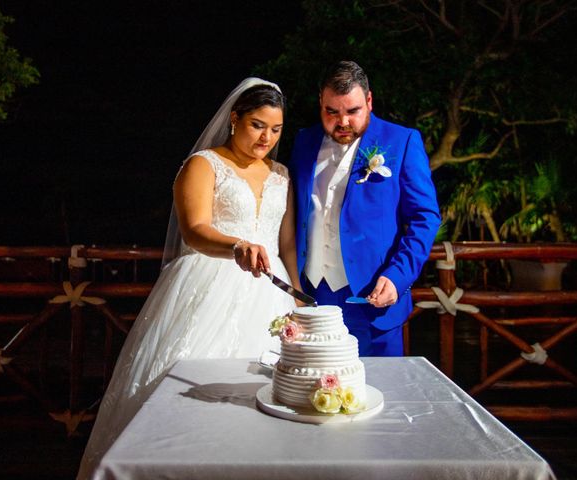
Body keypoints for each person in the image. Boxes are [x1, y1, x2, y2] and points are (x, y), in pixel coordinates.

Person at [77, 78, 300, 479]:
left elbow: (286, 245)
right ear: (235, 119)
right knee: (184, 397)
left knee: (267, 401)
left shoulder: (281, 173)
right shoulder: (204, 163)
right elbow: (194, 229)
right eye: (257, 125)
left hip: (271, 294)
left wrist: (297, 297)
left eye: (276, 129)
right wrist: (235, 246)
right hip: (208, 286)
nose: (266, 137)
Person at [290, 60, 440, 357]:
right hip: (312, 299)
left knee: (383, 396)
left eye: (352, 111)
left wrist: (398, 276)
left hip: (372, 300)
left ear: (369, 101)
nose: (342, 122)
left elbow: (425, 218)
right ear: (320, 102)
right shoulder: (303, 141)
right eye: (331, 112)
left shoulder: (402, 141)